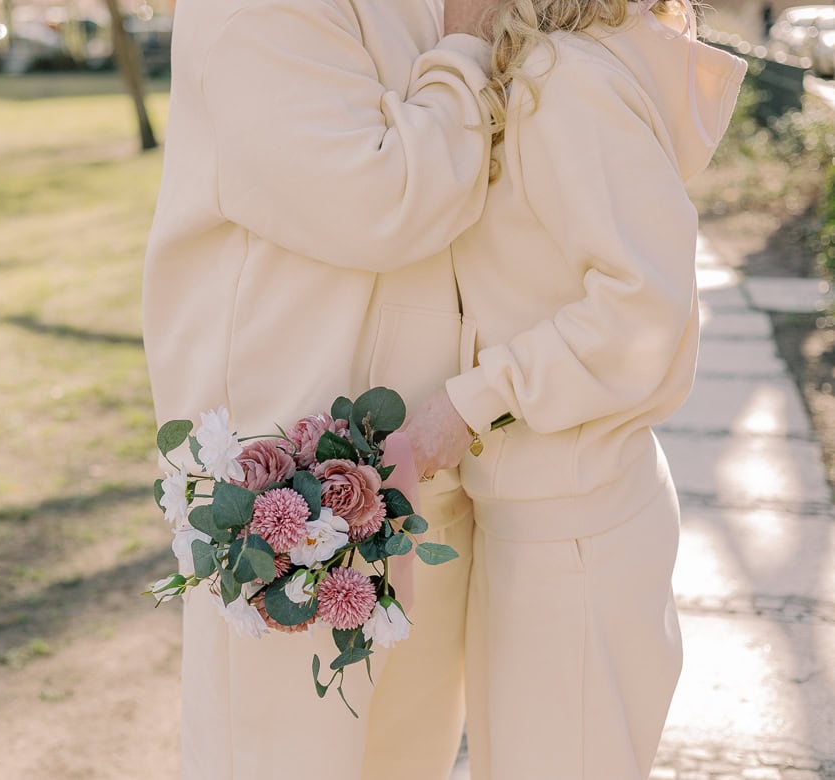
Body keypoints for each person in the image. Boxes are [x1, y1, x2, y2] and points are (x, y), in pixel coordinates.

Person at [141, 0, 500, 776]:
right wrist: (469, 42)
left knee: (407, 759)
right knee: (288, 759)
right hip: (292, 501)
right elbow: (384, 201)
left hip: (418, 478)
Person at [404, 0, 746, 776]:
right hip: (543, 519)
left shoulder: (566, 83)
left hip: (577, 534)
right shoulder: (543, 73)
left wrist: (471, 403)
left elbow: (643, 300)